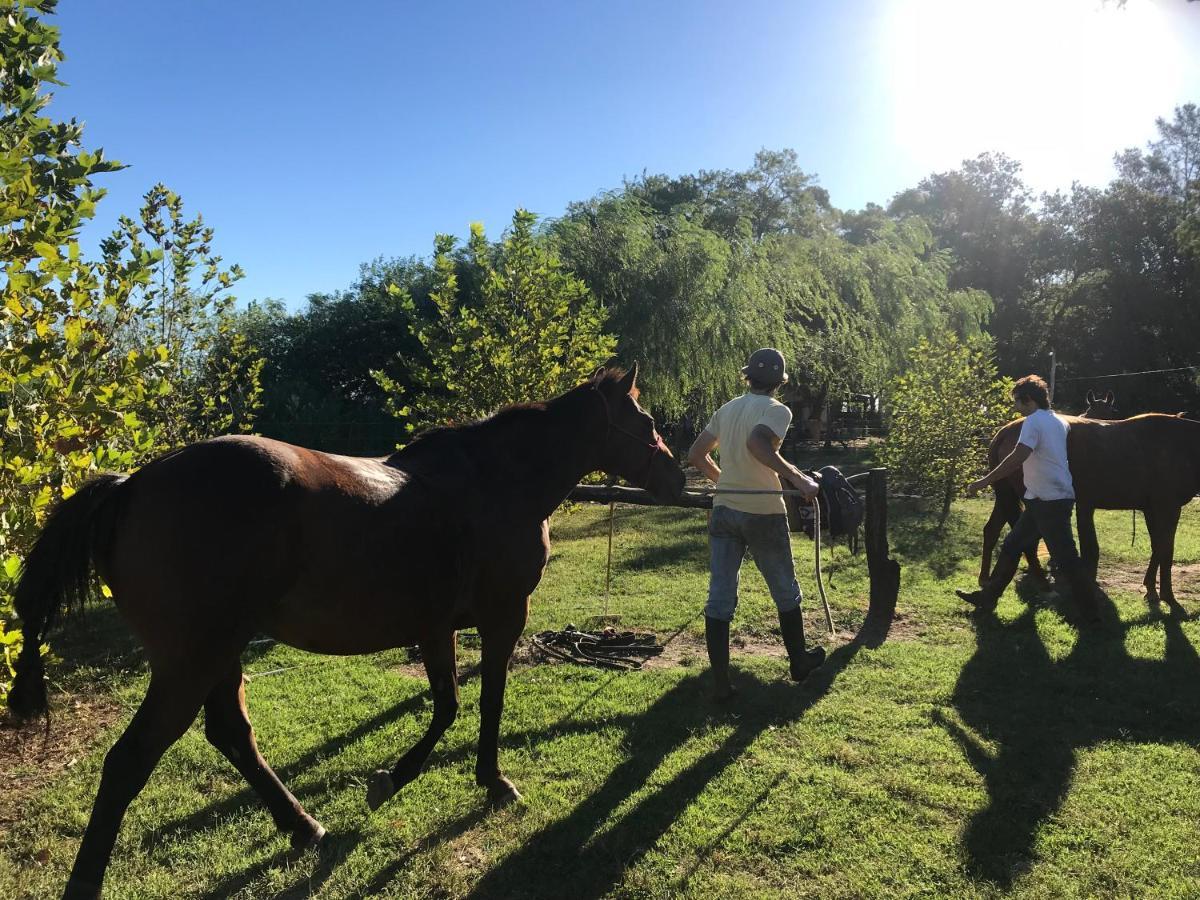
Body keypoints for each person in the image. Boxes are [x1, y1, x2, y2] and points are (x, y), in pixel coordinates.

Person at [687, 348, 826, 700]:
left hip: (725, 512)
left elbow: (695, 454)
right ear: (780, 381)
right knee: (784, 588)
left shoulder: (728, 408)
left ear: (748, 376)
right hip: (763, 512)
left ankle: (721, 683)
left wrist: (724, 481)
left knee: (720, 597)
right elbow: (757, 443)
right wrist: (799, 479)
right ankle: (799, 662)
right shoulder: (778, 410)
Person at [956, 374, 1099, 621]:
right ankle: (987, 598)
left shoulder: (1033, 422)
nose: (1016, 407)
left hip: (1049, 500)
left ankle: (1092, 614)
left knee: (1067, 559)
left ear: (1028, 400)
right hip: (1044, 498)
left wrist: (985, 480)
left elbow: (1018, 456)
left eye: (1017, 402)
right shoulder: (1058, 421)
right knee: (1012, 546)